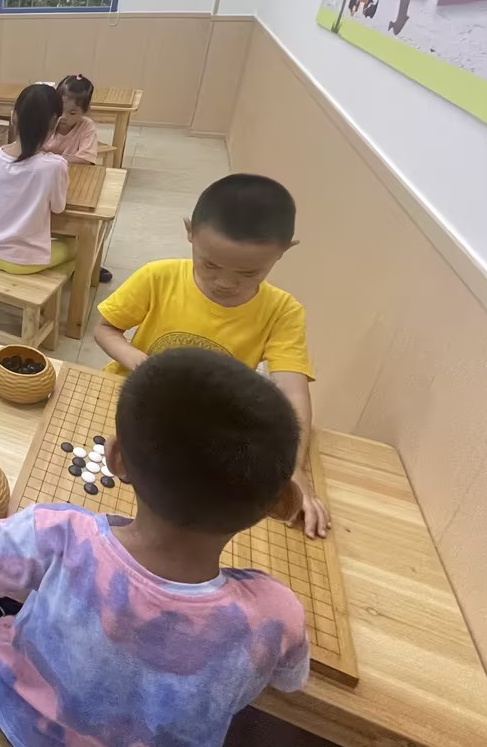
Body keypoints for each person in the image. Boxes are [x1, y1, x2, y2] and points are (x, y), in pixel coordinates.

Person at [0, 349, 308, 747]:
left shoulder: (59, 532)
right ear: (277, 504)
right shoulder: (276, 613)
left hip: (25, 726)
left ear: (117, 457)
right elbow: (290, 681)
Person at [93, 174, 329, 537]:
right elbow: (105, 329)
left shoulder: (283, 312)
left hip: (207, 431)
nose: (225, 282)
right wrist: (148, 367)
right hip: (129, 400)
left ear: (284, 251)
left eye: (249, 273)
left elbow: (293, 392)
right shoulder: (158, 277)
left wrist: (292, 468)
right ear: (190, 233)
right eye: (210, 265)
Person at [0, 85, 73, 274]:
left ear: (12, 117)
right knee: (76, 246)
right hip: (27, 261)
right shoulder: (55, 166)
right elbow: (58, 207)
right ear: (56, 123)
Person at [43, 74, 99, 165]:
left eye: (72, 113)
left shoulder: (87, 126)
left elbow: (85, 159)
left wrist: (53, 159)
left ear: (85, 111)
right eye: (60, 109)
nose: (63, 116)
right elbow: (32, 150)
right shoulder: (47, 119)